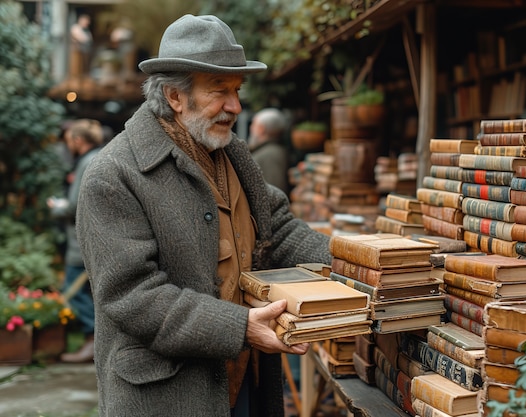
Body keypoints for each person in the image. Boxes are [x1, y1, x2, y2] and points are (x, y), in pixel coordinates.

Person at [75, 14, 332, 417]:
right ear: (175, 97)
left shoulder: (229, 152)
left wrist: (357, 260)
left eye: (237, 90)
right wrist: (239, 327)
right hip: (168, 396)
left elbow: (276, 230)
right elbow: (133, 296)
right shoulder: (114, 175)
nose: (236, 106)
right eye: (219, 91)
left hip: (243, 378)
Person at [48, 118, 104, 363]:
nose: (67, 145)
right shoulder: (102, 156)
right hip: (94, 239)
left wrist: (56, 207)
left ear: (78, 140)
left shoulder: (86, 162)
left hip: (81, 243)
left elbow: (75, 206)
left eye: (70, 140)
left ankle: (91, 343)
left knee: (74, 291)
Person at [248, 108, 289, 193]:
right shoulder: (269, 151)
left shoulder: (271, 154)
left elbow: (274, 193)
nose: (251, 128)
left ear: (261, 129)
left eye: (253, 124)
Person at [70, 13, 93, 78]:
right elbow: (81, 39)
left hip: (86, 52)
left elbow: (89, 39)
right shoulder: (76, 28)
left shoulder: (86, 30)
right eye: (86, 21)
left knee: (85, 69)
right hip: (78, 52)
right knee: (77, 69)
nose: (88, 23)